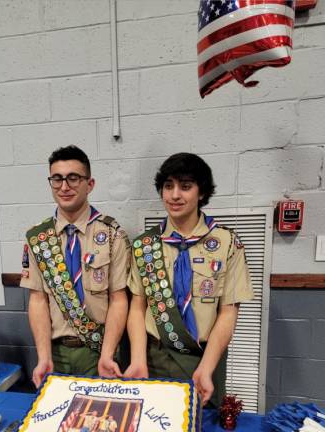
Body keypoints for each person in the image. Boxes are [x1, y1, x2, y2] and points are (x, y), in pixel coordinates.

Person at [124, 153, 253, 407]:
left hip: (204, 359)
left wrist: (207, 367)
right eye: (168, 186)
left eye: (185, 186)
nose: (175, 195)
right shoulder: (145, 245)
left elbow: (228, 313)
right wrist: (138, 359)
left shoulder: (227, 244)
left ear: (201, 192)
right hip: (155, 357)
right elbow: (137, 308)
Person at [20, 145, 130, 387]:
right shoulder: (38, 238)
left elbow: (119, 299)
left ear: (89, 184)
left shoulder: (112, 235)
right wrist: (43, 356)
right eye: (57, 179)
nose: (64, 186)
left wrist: (107, 354)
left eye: (73, 178)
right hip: (55, 352)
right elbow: (37, 300)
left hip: (98, 351)